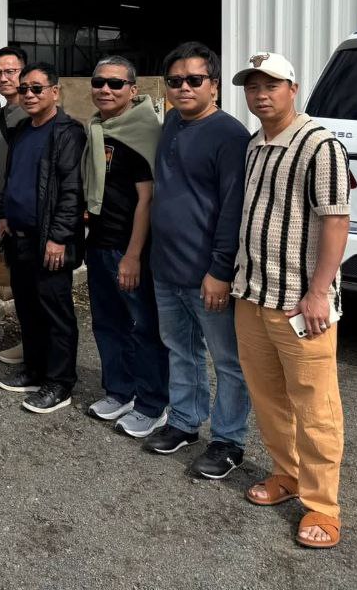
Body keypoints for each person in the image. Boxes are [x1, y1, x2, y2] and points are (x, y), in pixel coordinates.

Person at [233, 52, 350, 550]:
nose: (261, 95)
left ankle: (323, 504)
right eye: (253, 86)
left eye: (272, 85)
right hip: (252, 293)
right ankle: (287, 473)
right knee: (268, 396)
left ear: (293, 89)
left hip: (299, 302)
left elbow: (336, 219)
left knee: (316, 404)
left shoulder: (319, 144)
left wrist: (319, 292)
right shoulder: (255, 144)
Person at [145, 41, 252, 478]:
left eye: (194, 79)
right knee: (180, 349)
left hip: (207, 274)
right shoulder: (172, 122)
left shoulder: (230, 136)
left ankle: (228, 440)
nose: (184, 87)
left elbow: (233, 209)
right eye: (175, 81)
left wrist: (220, 270)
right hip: (166, 267)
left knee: (228, 361)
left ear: (215, 86)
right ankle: (185, 422)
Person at [80, 56, 169, 438]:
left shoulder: (143, 133)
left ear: (133, 90)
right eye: (99, 82)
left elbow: (147, 200)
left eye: (115, 84)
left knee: (143, 327)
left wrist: (132, 256)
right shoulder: (98, 128)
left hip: (128, 248)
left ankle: (153, 404)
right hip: (99, 243)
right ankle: (120, 391)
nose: (105, 89)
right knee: (107, 323)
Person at [0, 63, 86, 413]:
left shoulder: (67, 132)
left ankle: (59, 382)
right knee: (28, 308)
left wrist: (59, 237)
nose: (29, 95)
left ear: (55, 92)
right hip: (18, 237)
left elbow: (71, 191)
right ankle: (34, 369)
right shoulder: (22, 129)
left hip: (49, 240)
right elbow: (10, 177)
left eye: (37, 88)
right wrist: (3, 214)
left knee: (55, 312)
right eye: (24, 90)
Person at [0, 45, 28, 365]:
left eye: (11, 71)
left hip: (26, 215)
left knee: (32, 284)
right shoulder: (2, 113)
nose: (4, 78)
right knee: (19, 281)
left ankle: (37, 350)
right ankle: (29, 342)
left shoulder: (33, 113)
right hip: (5, 211)